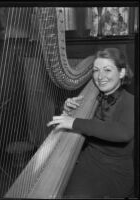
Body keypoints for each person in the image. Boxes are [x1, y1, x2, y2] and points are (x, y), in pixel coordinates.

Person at [47, 48, 134, 198]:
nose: (100, 76)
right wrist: (68, 110)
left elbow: (123, 133)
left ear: (121, 73)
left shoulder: (130, 101)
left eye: (107, 70)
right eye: (96, 70)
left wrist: (74, 122)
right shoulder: (93, 97)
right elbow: (82, 125)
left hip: (113, 170)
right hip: (90, 158)